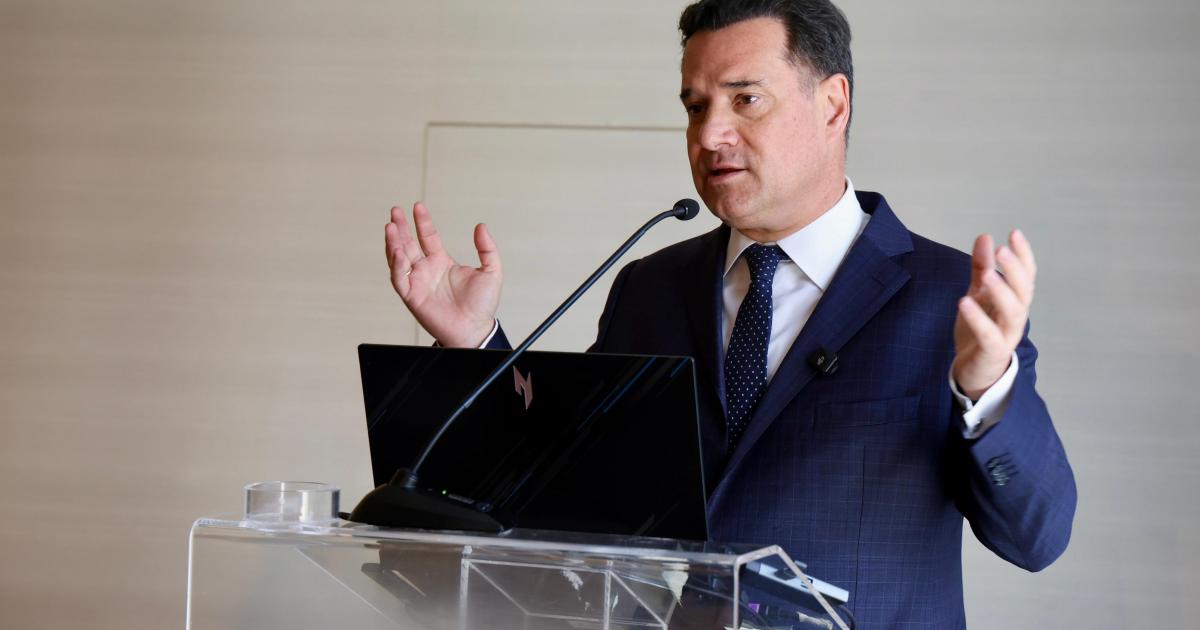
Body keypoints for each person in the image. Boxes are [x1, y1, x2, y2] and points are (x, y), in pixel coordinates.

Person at [382, 1, 1076, 626]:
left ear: (833, 105)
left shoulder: (950, 296)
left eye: (746, 99)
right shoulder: (650, 288)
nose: (711, 133)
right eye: (695, 106)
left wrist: (988, 389)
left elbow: (1036, 537)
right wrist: (475, 345)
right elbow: (559, 489)